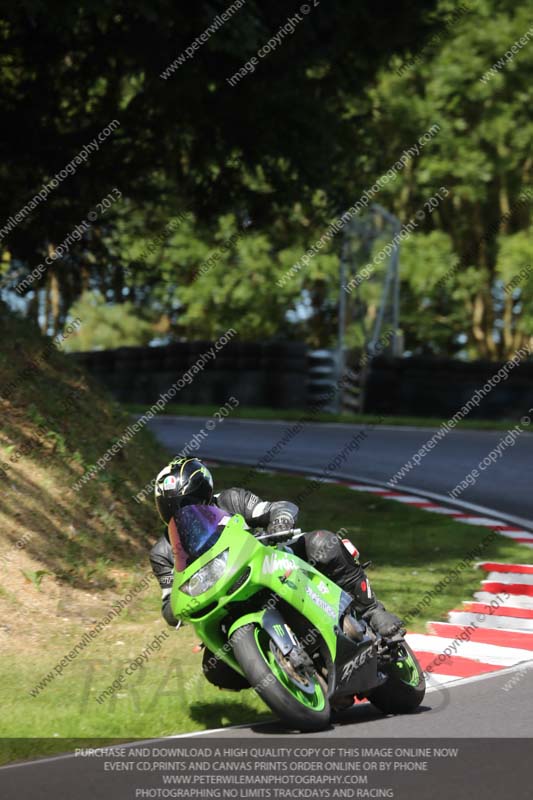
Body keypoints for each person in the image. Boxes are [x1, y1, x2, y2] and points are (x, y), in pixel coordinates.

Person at [149, 456, 402, 691]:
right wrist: (174, 608)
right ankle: (283, 680)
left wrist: (280, 520)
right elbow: (168, 600)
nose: (182, 513)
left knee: (322, 544)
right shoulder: (162, 552)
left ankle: (372, 611)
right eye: (172, 509)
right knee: (215, 669)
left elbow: (275, 507)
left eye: (188, 503)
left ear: (204, 492)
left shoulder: (230, 499)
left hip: (272, 563)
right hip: (222, 598)